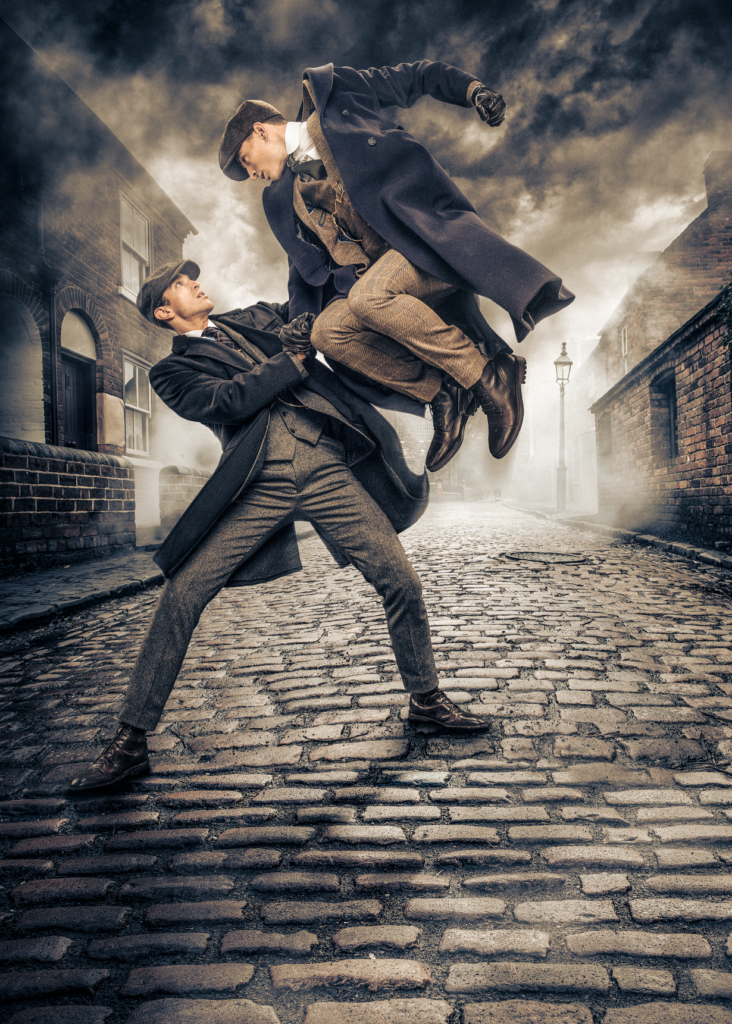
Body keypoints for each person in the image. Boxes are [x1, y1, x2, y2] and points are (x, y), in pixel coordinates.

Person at [69, 260, 491, 792]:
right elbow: (228, 401)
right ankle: (130, 742)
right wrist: (289, 356)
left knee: (399, 579)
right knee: (182, 594)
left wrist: (320, 269)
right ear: (164, 311)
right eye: (180, 284)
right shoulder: (170, 373)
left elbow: (312, 304)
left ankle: (426, 700)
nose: (195, 283)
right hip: (258, 482)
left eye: (191, 278)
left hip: (327, 468)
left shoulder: (256, 317)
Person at [218, 60, 574, 472]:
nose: (252, 174)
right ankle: (444, 392)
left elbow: (415, 77)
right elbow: (302, 269)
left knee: (371, 297)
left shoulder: (336, 95)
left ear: (261, 130)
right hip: (385, 274)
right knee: (328, 332)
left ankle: (489, 377)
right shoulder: (281, 198)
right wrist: (300, 322)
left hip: (430, 241)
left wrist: (472, 90)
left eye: (246, 160)